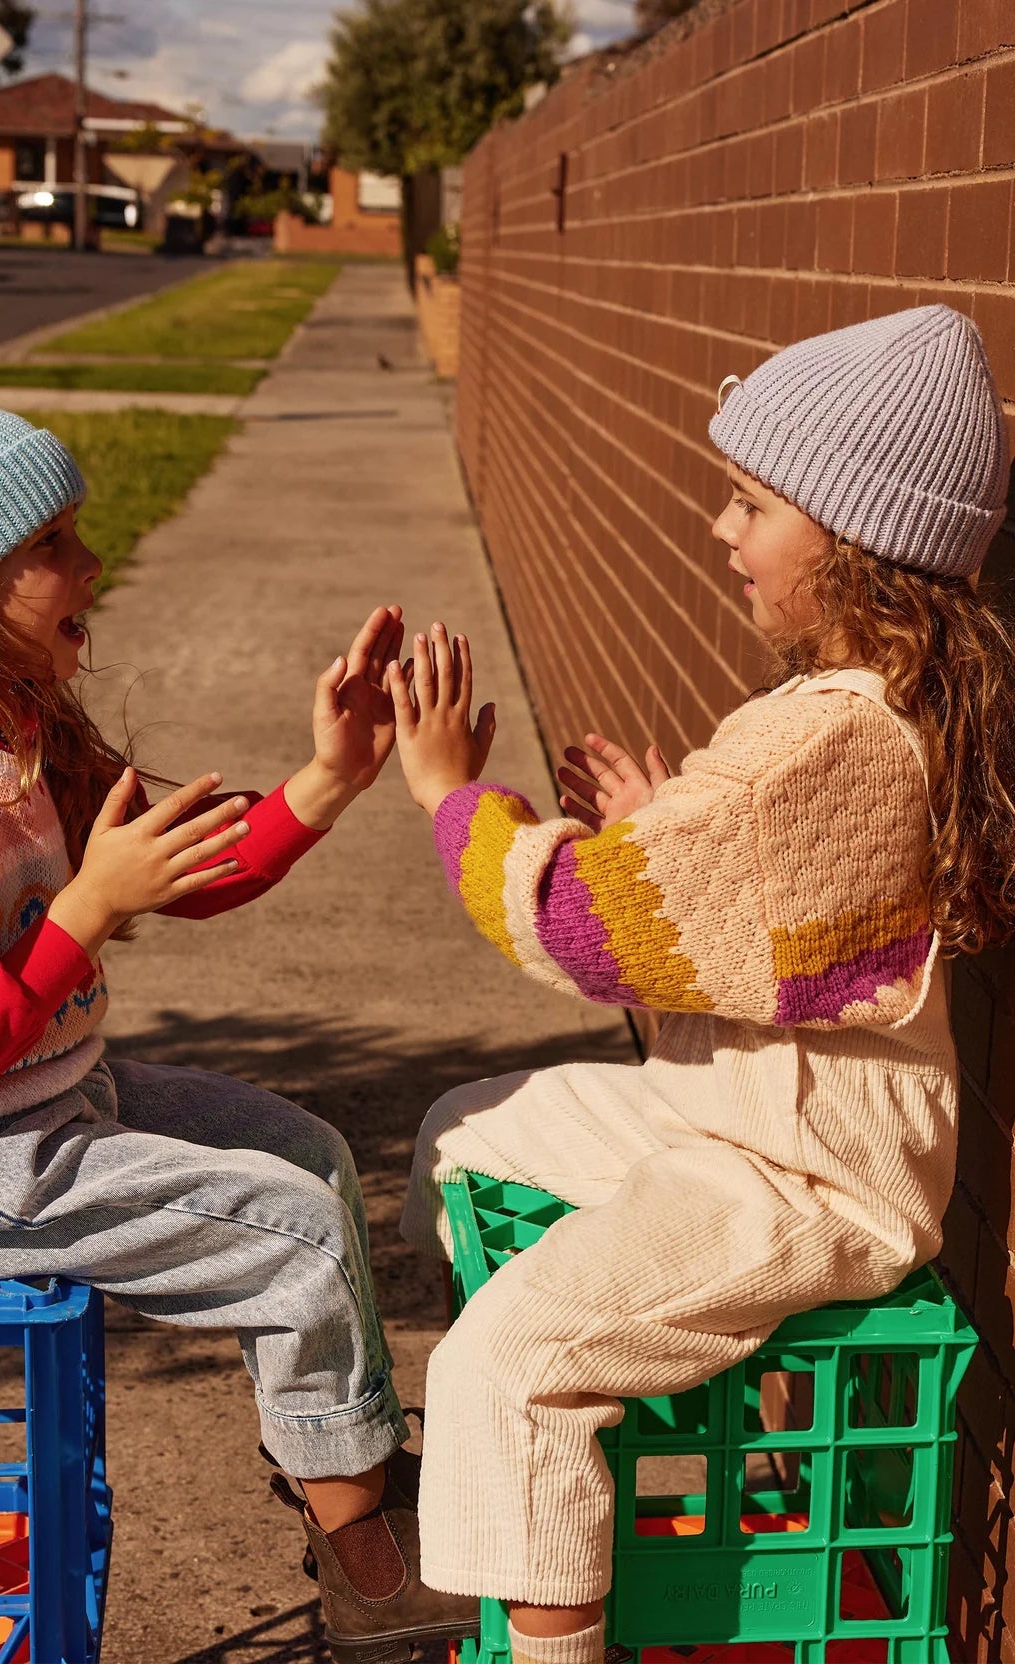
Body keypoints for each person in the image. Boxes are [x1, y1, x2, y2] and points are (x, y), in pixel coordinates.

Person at [0, 378, 478, 1664]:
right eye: (53, 545)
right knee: (297, 1237)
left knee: (304, 1149)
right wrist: (83, 908)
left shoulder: (7, 725)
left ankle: (337, 1462)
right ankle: (367, 1566)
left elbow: (184, 862)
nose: (92, 560)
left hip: (19, 1102)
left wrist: (325, 777)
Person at [389, 306, 1013, 1664]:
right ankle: (554, 1500)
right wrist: (674, 820)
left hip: (805, 1176)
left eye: (750, 502)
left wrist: (449, 796)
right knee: (458, 1134)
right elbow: (785, 925)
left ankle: (550, 1563)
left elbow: (577, 923)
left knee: (503, 1368)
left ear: (852, 544)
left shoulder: (828, 743)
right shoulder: (855, 716)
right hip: (726, 1119)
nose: (721, 530)